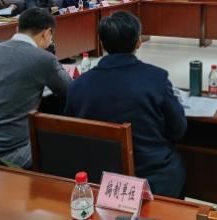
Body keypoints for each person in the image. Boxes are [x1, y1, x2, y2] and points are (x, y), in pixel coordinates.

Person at [65, 11, 187, 198]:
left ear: (102, 43)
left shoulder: (78, 85)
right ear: (138, 42)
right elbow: (178, 128)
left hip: (100, 179)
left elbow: (71, 133)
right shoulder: (156, 79)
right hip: (153, 179)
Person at [0, 8, 71, 168]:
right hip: (11, 153)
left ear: (17, 29)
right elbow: (68, 89)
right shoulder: (43, 58)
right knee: (65, 145)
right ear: (47, 33)